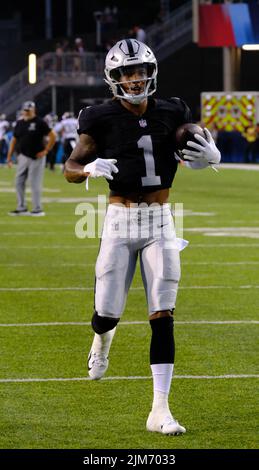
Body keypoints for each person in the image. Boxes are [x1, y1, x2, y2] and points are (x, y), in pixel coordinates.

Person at [64, 38, 220, 435]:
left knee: (163, 314)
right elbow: (70, 166)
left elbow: (192, 137)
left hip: (160, 220)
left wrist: (210, 152)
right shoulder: (98, 117)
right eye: (125, 73)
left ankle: (160, 410)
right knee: (106, 314)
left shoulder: (173, 110)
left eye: (139, 71)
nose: (134, 80)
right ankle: (102, 341)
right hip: (119, 220)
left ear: (151, 72)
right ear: (113, 78)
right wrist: (87, 169)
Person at [7, 101, 56, 216]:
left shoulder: (40, 122)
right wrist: (9, 157)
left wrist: (46, 151)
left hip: (36, 157)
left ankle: (37, 209)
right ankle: (21, 208)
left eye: (28, 110)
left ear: (33, 110)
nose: (26, 112)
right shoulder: (19, 123)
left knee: (34, 183)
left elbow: (53, 135)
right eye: (25, 110)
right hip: (23, 156)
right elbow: (14, 140)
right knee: (18, 182)